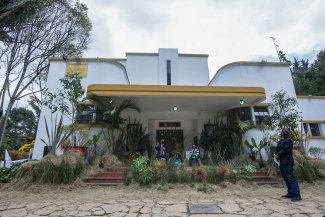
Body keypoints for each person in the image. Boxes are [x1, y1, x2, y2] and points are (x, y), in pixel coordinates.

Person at [274, 128, 302, 202]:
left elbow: (286, 150)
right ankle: (290, 193)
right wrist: (275, 154)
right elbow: (276, 149)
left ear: (284, 133)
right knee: (286, 178)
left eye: (280, 132)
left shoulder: (288, 141)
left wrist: (278, 155)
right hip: (281, 162)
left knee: (291, 178)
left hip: (287, 162)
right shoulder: (280, 141)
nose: (279, 133)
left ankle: (297, 194)